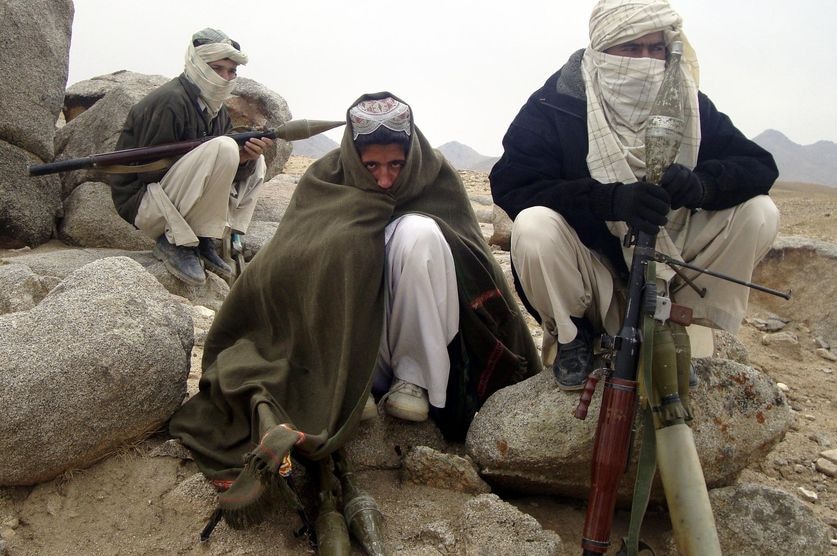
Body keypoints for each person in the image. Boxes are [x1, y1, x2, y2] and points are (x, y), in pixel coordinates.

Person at [169, 92, 540, 526]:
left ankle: (413, 381)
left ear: (412, 155)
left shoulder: (435, 178)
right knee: (341, 245)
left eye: (396, 166)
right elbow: (282, 265)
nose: (384, 180)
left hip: (420, 343)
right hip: (339, 352)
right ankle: (347, 385)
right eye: (372, 167)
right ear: (352, 155)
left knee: (420, 233)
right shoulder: (326, 180)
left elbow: (474, 262)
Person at [489, 0, 780, 391]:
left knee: (759, 212)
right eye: (631, 49)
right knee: (533, 226)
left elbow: (758, 166)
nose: (645, 61)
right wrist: (610, 201)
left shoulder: (687, 103)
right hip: (594, 277)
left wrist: (702, 186)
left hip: (671, 268)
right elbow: (513, 185)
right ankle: (572, 337)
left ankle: (681, 328)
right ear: (602, 49)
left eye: (655, 49)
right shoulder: (556, 104)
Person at [109, 27, 273, 286]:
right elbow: (150, 172)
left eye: (231, 71)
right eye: (217, 68)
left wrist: (244, 160)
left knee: (257, 161)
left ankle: (206, 238)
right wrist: (211, 153)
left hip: (178, 199)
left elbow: (220, 169)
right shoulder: (170, 101)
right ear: (198, 64)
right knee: (225, 147)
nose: (225, 77)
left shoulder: (216, 110)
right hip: (146, 203)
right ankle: (175, 242)